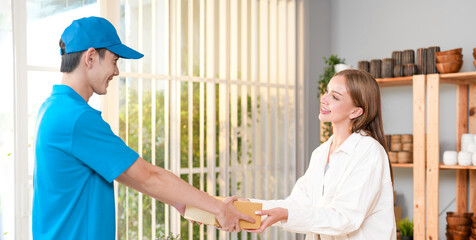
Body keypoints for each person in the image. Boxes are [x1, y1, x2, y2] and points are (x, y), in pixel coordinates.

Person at [32, 16, 254, 239]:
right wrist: (219, 209)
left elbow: (125, 172)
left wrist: (181, 203)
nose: (117, 71)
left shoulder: (53, 108)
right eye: (114, 60)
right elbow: (148, 175)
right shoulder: (77, 118)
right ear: (90, 57)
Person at [246, 69, 396, 239]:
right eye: (326, 92)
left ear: (355, 112)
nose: (324, 99)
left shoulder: (369, 152)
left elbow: (344, 218)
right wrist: (250, 207)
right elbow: (297, 205)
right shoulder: (321, 153)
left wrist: (285, 214)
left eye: (335, 97)